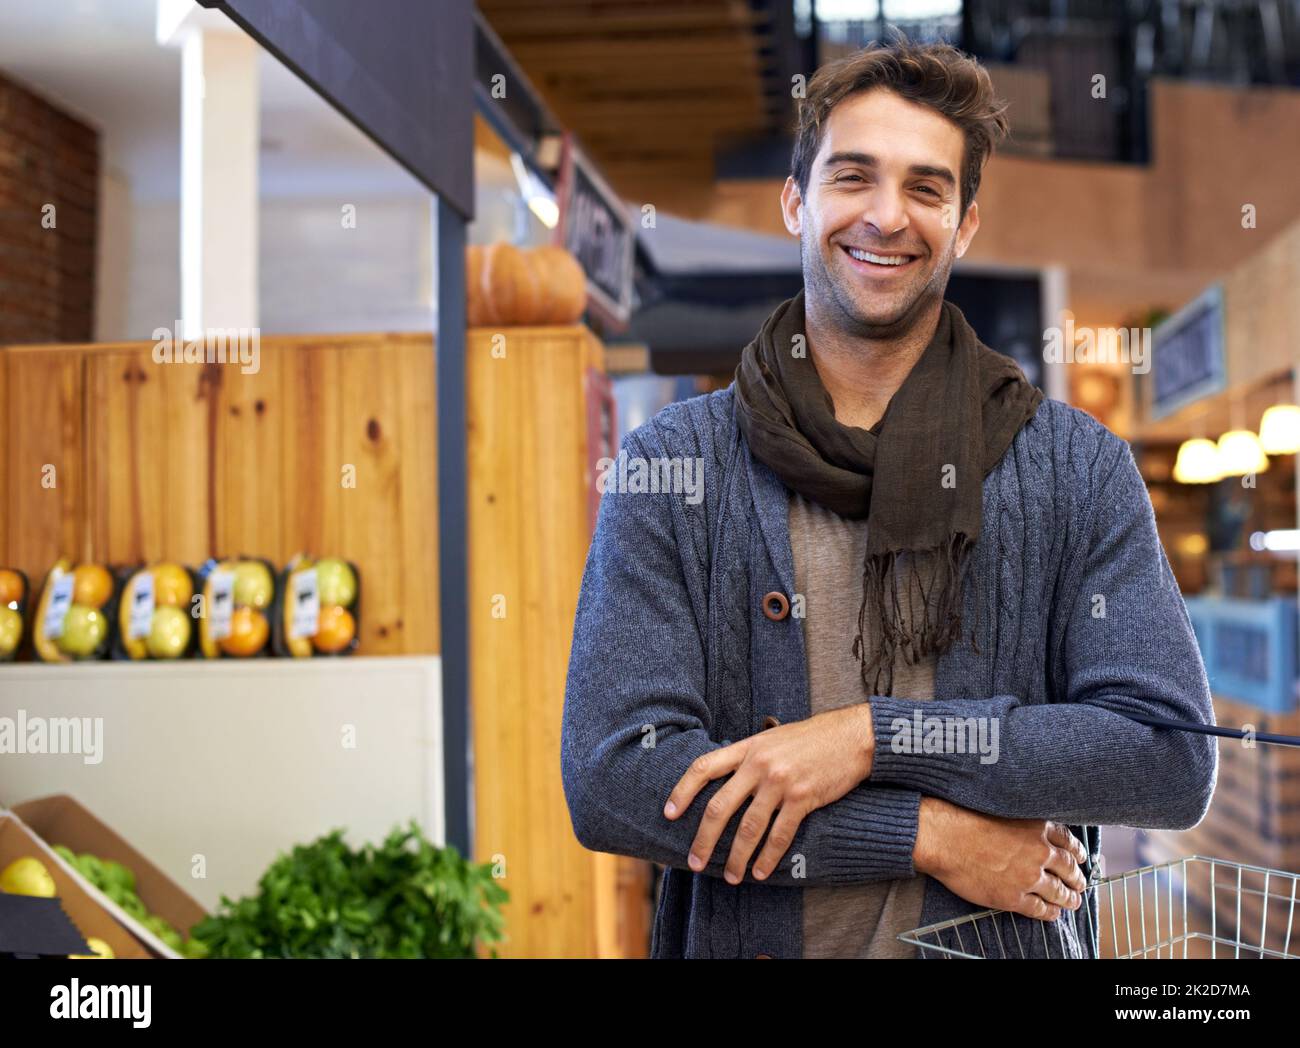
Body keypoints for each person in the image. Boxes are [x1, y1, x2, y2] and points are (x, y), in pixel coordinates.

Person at [560, 35, 1217, 959]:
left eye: (926, 187)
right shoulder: (676, 466)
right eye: (853, 176)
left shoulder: (1075, 469)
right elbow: (615, 780)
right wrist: (924, 834)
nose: (886, 216)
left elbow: (1166, 757)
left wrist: (872, 737)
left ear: (966, 224)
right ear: (797, 201)